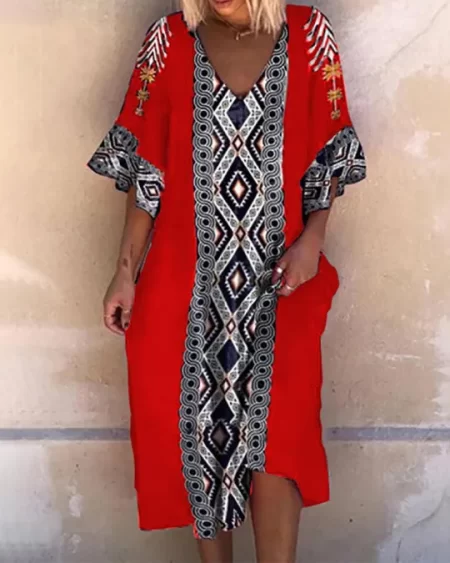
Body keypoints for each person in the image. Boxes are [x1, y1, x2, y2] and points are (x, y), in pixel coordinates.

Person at [87, 0, 366, 561]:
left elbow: (328, 158)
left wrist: (313, 240)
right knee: (195, 432)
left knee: (278, 435)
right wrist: (124, 273)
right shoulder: (168, 42)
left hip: (282, 280)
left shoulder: (309, 34)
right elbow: (146, 173)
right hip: (182, 284)